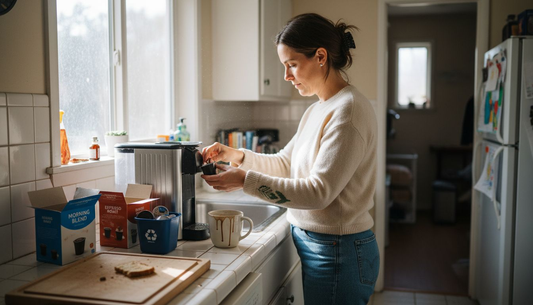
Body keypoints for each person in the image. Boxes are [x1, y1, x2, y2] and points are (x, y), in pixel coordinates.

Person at [201, 13, 379, 305]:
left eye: (292, 65)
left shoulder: (348, 111)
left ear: (320, 56)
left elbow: (319, 192)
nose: (286, 76)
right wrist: (236, 155)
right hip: (324, 248)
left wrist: (245, 181)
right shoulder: (318, 109)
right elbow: (286, 163)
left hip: (338, 252)